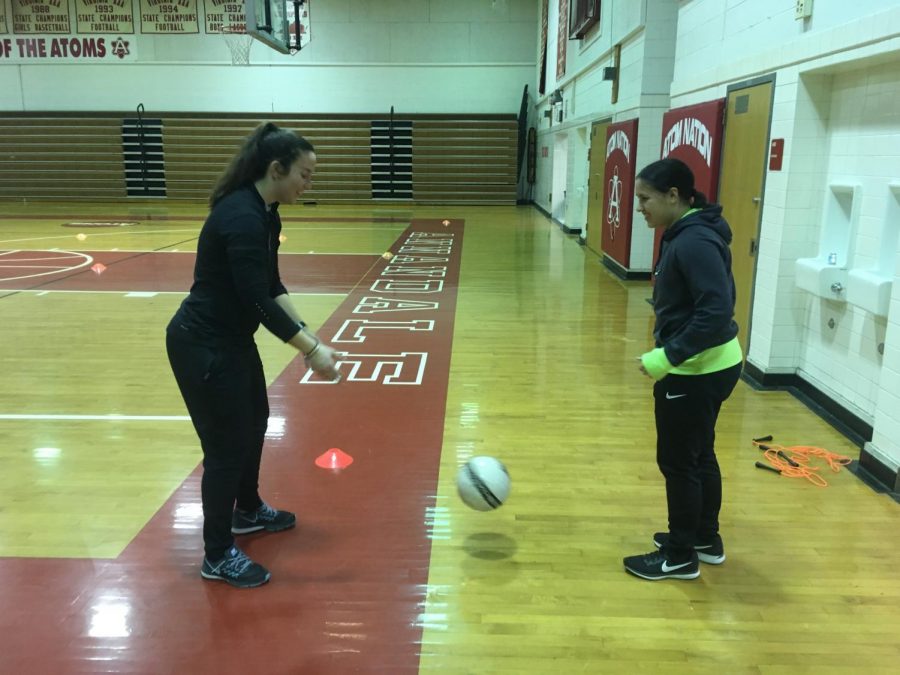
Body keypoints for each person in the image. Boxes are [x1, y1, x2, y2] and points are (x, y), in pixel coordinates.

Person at [166, 122, 340, 588]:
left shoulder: (267, 213)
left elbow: (272, 285)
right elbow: (256, 301)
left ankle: (246, 511)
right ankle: (218, 554)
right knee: (225, 450)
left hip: (232, 342)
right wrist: (312, 351)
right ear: (276, 169)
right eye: (304, 174)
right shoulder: (241, 215)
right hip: (201, 345)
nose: (309, 183)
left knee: (256, 423)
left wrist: (309, 335)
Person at [623, 158, 743, 581]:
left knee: (678, 463)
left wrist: (667, 356)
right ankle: (704, 539)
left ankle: (679, 555)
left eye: (645, 198)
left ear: (674, 196)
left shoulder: (692, 241)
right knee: (699, 453)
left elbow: (715, 311)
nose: (640, 207)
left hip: (697, 370)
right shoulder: (687, 232)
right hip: (713, 365)